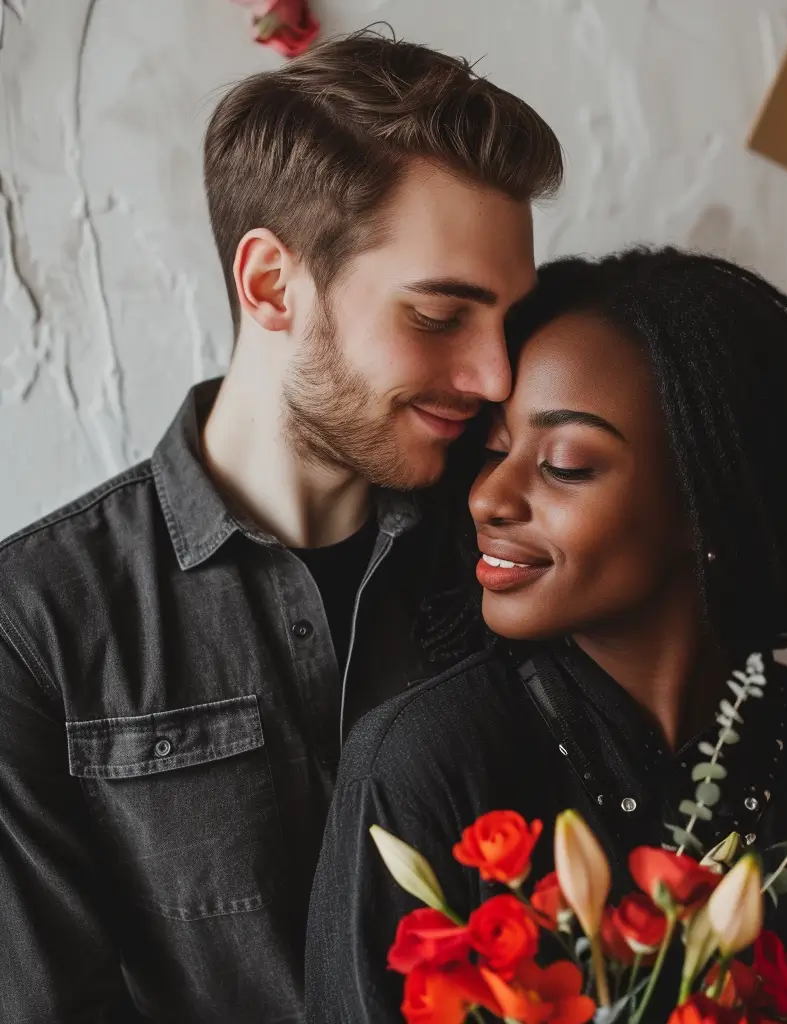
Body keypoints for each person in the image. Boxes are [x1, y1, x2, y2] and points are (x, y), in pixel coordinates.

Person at [0, 31, 562, 1023]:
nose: (495, 378)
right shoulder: (34, 627)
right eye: (439, 316)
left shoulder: (509, 555)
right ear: (269, 285)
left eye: (506, 324)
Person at [305, 249, 787, 1023]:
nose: (489, 497)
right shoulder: (422, 766)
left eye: (566, 463)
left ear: (706, 507)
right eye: (497, 451)